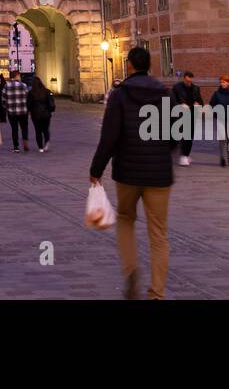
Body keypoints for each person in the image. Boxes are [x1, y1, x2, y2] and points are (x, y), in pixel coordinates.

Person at [89, 45, 175, 300]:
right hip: (159, 174)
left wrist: (96, 169)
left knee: (125, 220)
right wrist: (160, 152)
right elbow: (176, 134)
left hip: (127, 171)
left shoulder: (119, 95)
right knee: (158, 233)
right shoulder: (165, 94)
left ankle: (131, 269)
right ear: (150, 65)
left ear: (129, 65)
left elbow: (109, 136)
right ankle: (157, 293)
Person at [170, 71, 204, 165]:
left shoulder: (196, 88)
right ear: (184, 78)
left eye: (190, 81)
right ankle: (182, 155)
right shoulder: (177, 87)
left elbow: (201, 101)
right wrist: (180, 105)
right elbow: (171, 101)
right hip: (180, 114)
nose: (189, 83)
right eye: (187, 81)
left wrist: (198, 103)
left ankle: (185, 155)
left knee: (189, 136)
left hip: (192, 114)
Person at [208, 76, 229, 167]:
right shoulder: (216, 94)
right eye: (221, 82)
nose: (223, 84)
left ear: (228, 83)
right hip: (220, 118)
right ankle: (222, 158)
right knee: (222, 139)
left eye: (224, 82)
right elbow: (211, 104)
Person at [2, 69, 30, 153]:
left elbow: (3, 99)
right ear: (17, 76)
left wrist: (7, 107)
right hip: (23, 111)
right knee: (24, 127)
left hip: (12, 112)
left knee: (14, 129)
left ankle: (16, 146)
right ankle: (25, 142)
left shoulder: (6, 86)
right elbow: (28, 98)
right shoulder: (24, 85)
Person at [26, 76, 55, 153]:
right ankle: (47, 143)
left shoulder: (31, 93)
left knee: (38, 131)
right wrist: (52, 111)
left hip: (35, 115)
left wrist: (29, 112)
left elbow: (28, 105)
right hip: (46, 114)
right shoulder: (47, 91)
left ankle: (40, 147)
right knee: (46, 129)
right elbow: (51, 103)